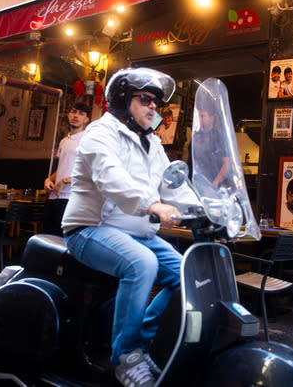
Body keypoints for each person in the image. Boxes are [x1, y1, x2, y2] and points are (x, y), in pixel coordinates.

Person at [62, 68, 196, 387]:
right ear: (123, 100)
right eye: (145, 100)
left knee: (188, 274)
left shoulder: (151, 142)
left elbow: (172, 184)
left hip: (137, 234)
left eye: (157, 103)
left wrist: (204, 211)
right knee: (142, 263)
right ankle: (126, 357)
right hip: (89, 229)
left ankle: (145, 338)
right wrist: (152, 205)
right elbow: (111, 178)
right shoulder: (100, 133)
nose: (153, 108)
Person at [43, 102, 91, 236]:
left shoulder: (88, 140)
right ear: (68, 115)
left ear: (86, 119)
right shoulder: (63, 141)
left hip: (72, 198)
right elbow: (62, 167)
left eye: (81, 114)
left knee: (64, 240)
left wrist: (66, 181)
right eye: (73, 112)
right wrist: (49, 179)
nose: (76, 116)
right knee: (48, 238)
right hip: (55, 197)